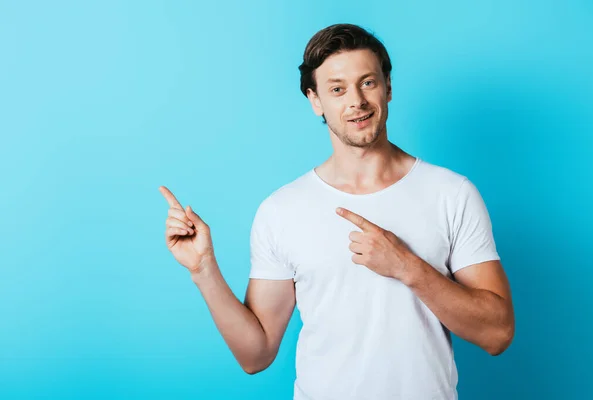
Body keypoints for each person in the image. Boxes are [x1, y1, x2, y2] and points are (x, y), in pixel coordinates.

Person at [159, 23, 515, 400]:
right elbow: (255, 354)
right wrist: (204, 270)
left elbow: (497, 333)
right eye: (337, 89)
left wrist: (407, 267)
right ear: (316, 101)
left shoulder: (452, 194)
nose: (356, 101)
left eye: (368, 82)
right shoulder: (282, 210)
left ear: (388, 87)